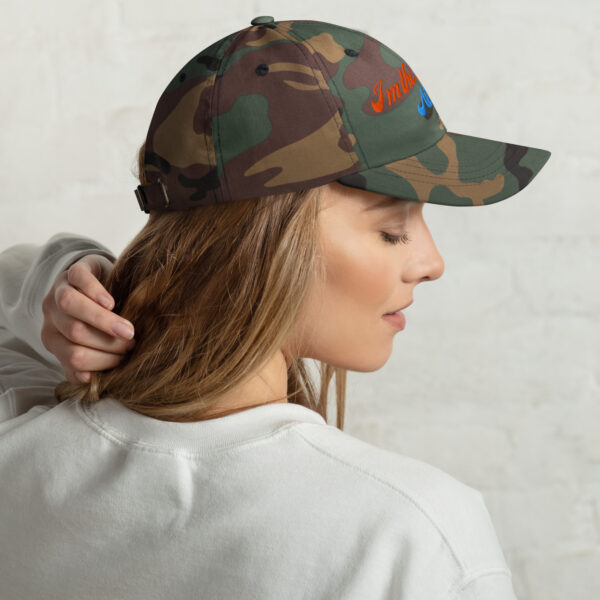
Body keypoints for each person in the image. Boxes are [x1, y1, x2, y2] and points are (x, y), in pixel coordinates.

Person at [0, 16, 550, 599]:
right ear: (263, 246)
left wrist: (67, 278)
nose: (432, 262)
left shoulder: (22, 445)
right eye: (392, 230)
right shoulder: (413, 537)